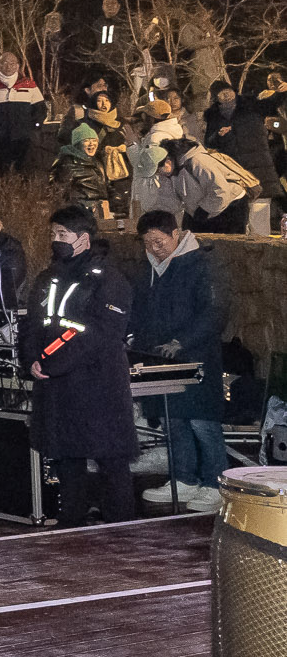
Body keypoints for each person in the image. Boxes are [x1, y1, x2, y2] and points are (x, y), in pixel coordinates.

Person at [21, 206, 138, 528]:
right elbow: (33, 323)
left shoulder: (109, 280)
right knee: (65, 454)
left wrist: (53, 361)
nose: (55, 240)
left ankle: (121, 524)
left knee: (110, 457)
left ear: (83, 239)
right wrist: (31, 357)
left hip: (97, 383)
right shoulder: (48, 277)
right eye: (52, 234)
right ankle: (70, 519)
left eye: (62, 235)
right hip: (57, 384)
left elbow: (100, 332)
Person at [131, 210, 226, 512]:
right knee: (174, 420)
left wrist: (182, 342)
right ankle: (184, 478)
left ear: (176, 234)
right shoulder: (148, 269)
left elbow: (214, 312)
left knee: (202, 421)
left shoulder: (202, 264)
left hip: (196, 357)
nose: (154, 249)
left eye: (159, 242)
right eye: (148, 243)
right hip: (160, 358)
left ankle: (216, 482)